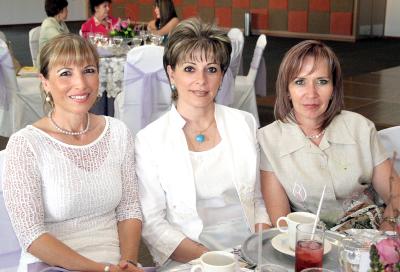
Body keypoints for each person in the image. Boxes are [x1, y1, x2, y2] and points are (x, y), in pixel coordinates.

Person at [135, 18, 270, 270]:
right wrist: (215, 260)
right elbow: (152, 223)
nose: (201, 80)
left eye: (211, 69)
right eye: (189, 69)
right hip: (192, 256)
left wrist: (259, 249)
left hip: (250, 251)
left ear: (221, 76)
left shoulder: (244, 123)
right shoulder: (150, 140)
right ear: (171, 73)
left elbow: (259, 201)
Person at [2, 33, 143, 272]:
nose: (81, 83)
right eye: (65, 73)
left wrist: (128, 262)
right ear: (45, 81)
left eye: (88, 70)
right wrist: (102, 270)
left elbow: (129, 208)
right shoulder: (25, 145)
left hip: (115, 263)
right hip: (51, 265)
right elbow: (31, 235)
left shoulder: (118, 132)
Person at [258, 40, 399, 231]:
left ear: (333, 89)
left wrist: (387, 228)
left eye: (322, 82)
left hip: (370, 234)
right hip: (311, 242)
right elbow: (281, 222)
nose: (311, 93)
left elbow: (395, 194)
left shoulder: (360, 127)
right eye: (300, 82)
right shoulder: (269, 140)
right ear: (287, 90)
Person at [37, 0, 70, 67]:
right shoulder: (48, 24)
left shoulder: (62, 23)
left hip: (58, 58)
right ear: (59, 10)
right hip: (47, 63)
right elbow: (62, 42)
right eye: (66, 9)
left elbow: (70, 39)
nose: (68, 11)